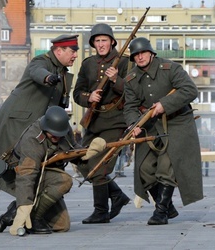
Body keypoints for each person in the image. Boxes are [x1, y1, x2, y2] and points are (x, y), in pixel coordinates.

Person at [0, 34, 79, 227]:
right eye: (72, 51)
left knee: (25, 166)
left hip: (33, 125)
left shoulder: (62, 71)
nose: (75, 55)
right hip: (15, 120)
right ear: (59, 51)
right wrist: (48, 77)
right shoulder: (42, 61)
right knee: (0, 163)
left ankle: (20, 208)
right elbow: (36, 72)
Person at [123, 37, 203, 225]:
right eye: (136, 55)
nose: (140, 57)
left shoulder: (170, 68)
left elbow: (190, 90)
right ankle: (167, 205)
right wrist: (134, 125)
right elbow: (130, 107)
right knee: (143, 168)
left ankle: (160, 212)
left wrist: (164, 105)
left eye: (143, 53)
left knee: (166, 166)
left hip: (177, 123)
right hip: (150, 125)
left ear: (151, 53)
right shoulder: (131, 79)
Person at [73, 23, 130, 224]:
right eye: (97, 41)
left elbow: (133, 92)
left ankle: (101, 211)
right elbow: (77, 92)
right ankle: (117, 195)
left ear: (112, 41)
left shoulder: (123, 62)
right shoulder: (88, 64)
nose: (101, 44)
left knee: (99, 165)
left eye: (104, 40)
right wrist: (89, 97)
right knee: (79, 159)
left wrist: (116, 80)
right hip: (93, 121)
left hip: (115, 121)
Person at [0, 106, 81, 235]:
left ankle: (13, 212)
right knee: (64, 180)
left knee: (62, 226)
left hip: (45, 177)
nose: (57, 138)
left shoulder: (63, 128)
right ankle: (33, 216)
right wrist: (24, 206)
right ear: (46, 127)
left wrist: (89, 152)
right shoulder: (33, 139)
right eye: (53, 135)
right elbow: (26, 174)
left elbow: (72, 148)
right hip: (22, 178)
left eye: (60, 135)